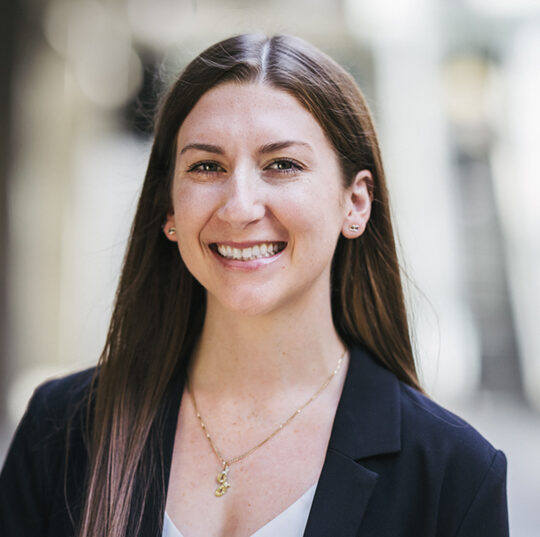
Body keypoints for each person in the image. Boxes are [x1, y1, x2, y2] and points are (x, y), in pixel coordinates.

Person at [0, 33, 508, 537]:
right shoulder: (59, 430)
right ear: (169, 210)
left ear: (355, 203)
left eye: (282, 165)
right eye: (206, 166)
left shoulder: (453, 474)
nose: (239, 206)